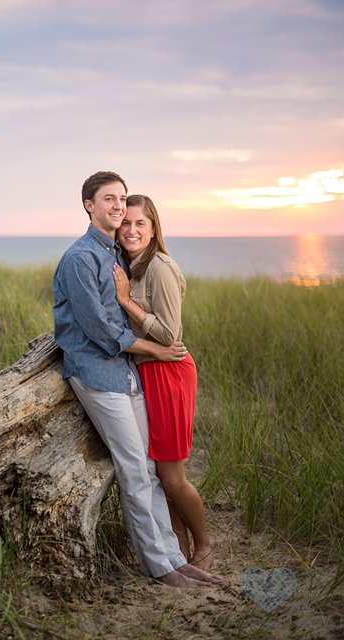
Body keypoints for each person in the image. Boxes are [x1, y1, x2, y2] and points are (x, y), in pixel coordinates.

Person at [52, 171, 222, 588]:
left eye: (122, 199)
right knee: (133, 468)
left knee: (148, 468)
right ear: (88, 206)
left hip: (126, 374)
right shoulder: (80, 258)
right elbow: (101, 330)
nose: (117, 206)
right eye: (108, 199)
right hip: (97, 374)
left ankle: (174, 557)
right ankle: (159, 566)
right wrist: (156, 351)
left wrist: (152, 352)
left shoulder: (114, 254)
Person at [112, 194, 213, 570]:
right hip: (147, 371)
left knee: (171, 477)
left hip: (168, 371)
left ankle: (204, 545)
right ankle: (180, 548)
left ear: (154, 228)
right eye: (126, 223)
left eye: (140, 223)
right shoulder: (131, 265)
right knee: (156, 471)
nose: (132, 230)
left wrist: (126, 302)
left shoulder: (159, 267)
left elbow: (170, 334)